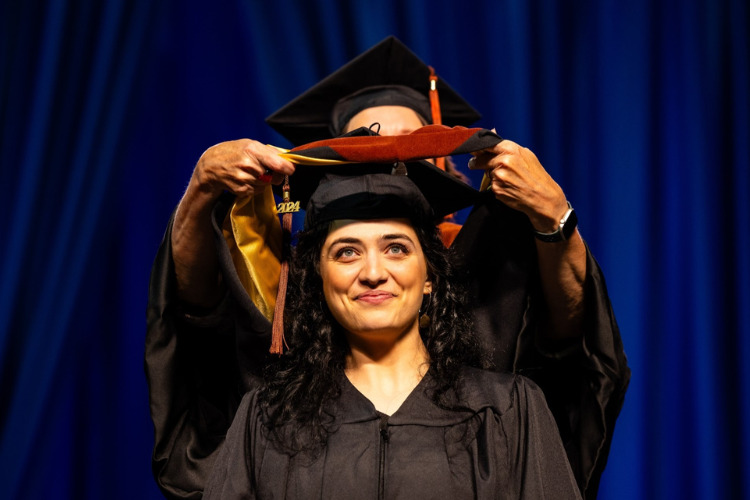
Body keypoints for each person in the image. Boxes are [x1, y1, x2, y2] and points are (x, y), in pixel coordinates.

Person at [146, 37, 629, 499]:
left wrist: (555, 216)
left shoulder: (504, 348)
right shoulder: (283, 301)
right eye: (367, 143)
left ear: (431, 277)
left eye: (412, 143)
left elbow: (567, 349)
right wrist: (202, 187)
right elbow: (200, 324)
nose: (392, 156)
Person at [201, 153, 582, 499]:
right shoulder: (268, 419)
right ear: (318, 278)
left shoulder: (507, 410)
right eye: (346, 252)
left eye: (396, 248)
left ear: (430, 274)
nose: (372, 273)